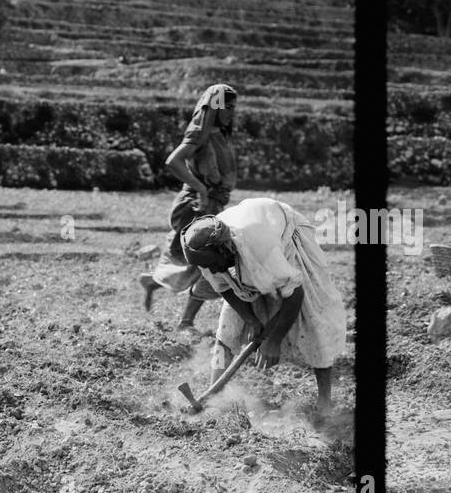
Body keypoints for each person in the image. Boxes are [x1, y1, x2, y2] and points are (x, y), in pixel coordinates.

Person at [181, 198, 346, 413]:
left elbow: (295, 292)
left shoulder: (258, 248)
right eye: (206, 266)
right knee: (226, 330)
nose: (210, 270)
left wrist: (274, 340)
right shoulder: (203, 253)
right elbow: (225, 289)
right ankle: (214, 396)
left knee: (311, 314)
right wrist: (251, 320)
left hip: (286, 235)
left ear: (223, 250)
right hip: (249, 238)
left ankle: (325, 401)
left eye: (212, 264)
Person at [138, 84, 238, 327]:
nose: (232, 112)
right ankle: (186, 322)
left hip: (212, 206)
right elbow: (174, 161)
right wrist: (201, 189)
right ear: (215, 107)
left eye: (234, 107)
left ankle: (153, 282)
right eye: (227, 107)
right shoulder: (200, 134)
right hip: (195, 206)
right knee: (208, 264)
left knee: (200, 266)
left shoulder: (220, 135)